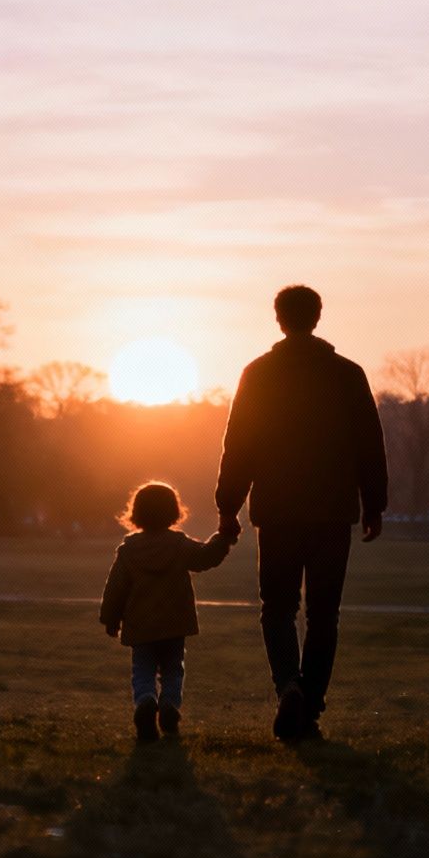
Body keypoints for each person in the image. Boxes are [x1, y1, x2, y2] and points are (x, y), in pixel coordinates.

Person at [216, 285, 388, 742]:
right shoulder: (347, 374)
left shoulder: (258, 374)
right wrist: (374, 504)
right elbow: (370, 444)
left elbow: (239, 445)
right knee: (324, 614)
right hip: (332, 510)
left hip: (276, 509)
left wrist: (227, 506)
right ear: (318, 316)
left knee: (277, 609)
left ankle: (288, 685)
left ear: (279, 318)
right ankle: (309, 706)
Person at [98, 481, 236, 741]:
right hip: (174, 623)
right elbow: (206, 558)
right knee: (173, 669)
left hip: (141, 626)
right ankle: (169, 705)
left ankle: (146, 701)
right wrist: (223, 539)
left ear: (136, 513)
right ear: (174, 511)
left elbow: (115, 587)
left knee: (143, 670)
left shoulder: (128, 551)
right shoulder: (179, 545)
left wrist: (110, 619)